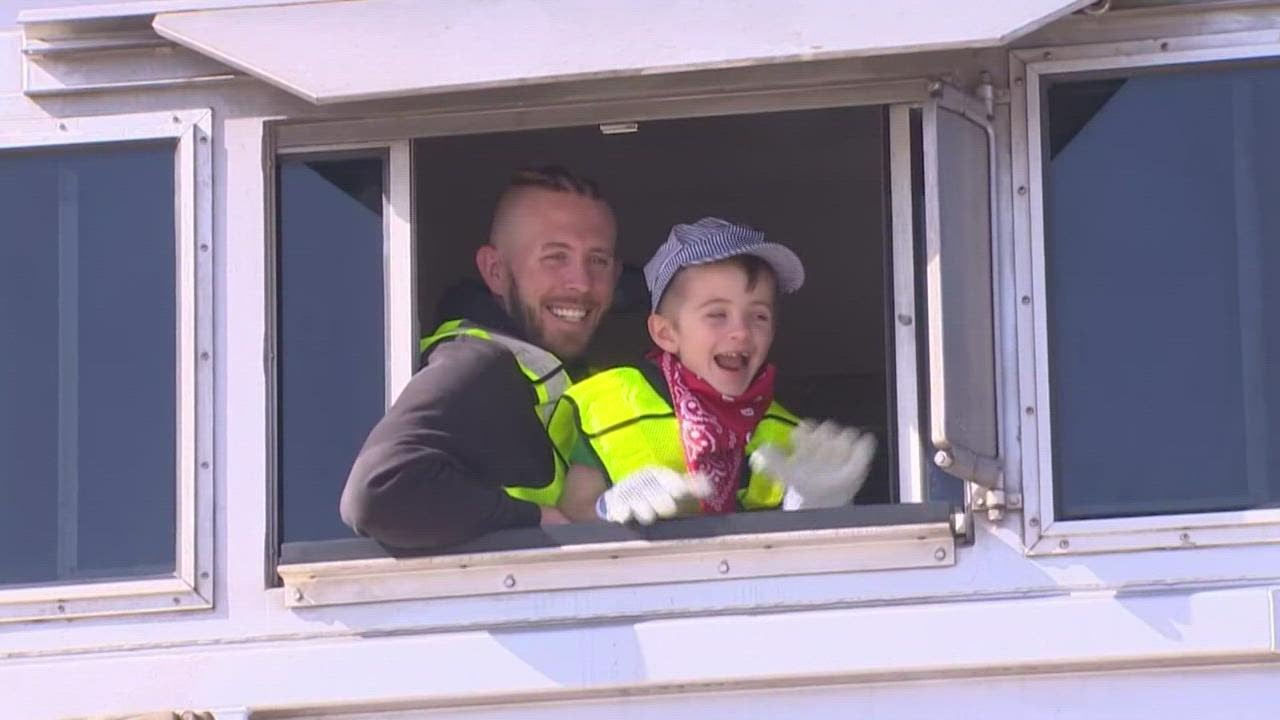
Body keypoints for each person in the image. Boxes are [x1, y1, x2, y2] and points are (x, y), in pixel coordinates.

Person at [340, 166, 620, 548]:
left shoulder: (586, 380)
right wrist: (538, 521)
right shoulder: (479, 364)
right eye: (555, 257)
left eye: (599, 261)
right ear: (495, 270)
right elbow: (378, 493)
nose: (582, 283)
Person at [550, 217, 876, 525]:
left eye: (758, 316)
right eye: (717, 314)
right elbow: (571, 516)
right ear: (666, 333)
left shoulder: (789, 434)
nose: (741, 332)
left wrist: (814, 512)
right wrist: (610, 509)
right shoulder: (612, 402)